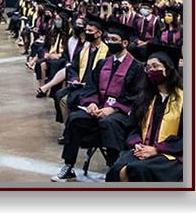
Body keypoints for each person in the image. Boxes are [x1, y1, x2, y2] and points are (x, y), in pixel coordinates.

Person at [52, 19, 145, 181]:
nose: (110, 43)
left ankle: (114, 170)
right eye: (109, 39)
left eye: (114, 40)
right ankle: (69, 166)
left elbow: (137, 96)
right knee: (75, 119)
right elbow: (91, 87)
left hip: (122, 114)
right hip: (100, 109)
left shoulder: (136, 67)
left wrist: (114, 108)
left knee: (110, 122)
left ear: (124, 43)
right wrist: (92, 103)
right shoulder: (103, 64)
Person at [106, 43, 183, 182]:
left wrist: (157, 150)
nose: (151, 71)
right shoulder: (145, 98)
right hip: (142, 150)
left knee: (139, 169)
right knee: (118, 169)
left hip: (173, 155)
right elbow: (133, 127)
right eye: (148, 68)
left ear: (168, 69)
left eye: (156, 66)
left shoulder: (185, 100)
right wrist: (137, 144)